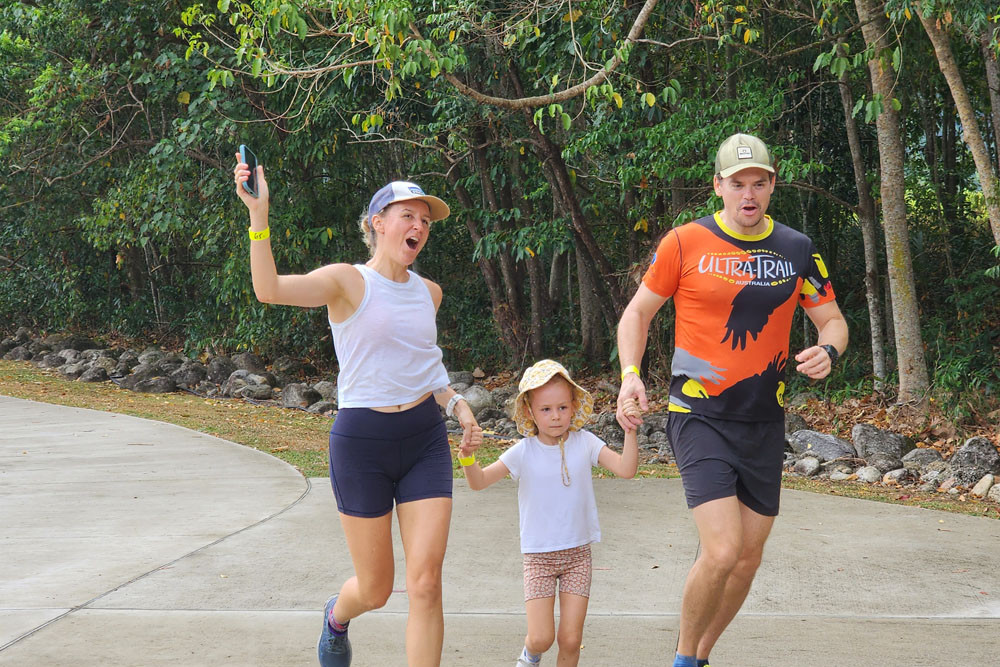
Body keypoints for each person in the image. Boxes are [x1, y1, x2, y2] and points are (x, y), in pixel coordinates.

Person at [234, 157, 484, 667]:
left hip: (424, 441)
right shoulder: (347, 282)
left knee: (426, 583)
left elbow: (426, 370)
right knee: (375, 589)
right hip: (362, 443)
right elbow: (270, 290)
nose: (419, 227)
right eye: (408, 216)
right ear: (378, 223)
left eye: (426, 221)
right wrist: (259, 216)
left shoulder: (429, 293)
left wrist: (458, 406)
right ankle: (336, 616)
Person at [615, 133, 848, 667]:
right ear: (718, 186)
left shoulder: (797, 248)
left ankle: (698, 656)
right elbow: (637, 314)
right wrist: (631, 374)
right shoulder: (684, 242)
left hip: (765, 420)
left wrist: (828, 350)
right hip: (699, 414)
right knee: (721, 550)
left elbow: (831, 319)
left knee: (745, 560)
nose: (748, 194)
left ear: (772, 185)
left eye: (758, 183)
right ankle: (680, 659)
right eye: (737, 183)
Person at [457, 359, 640, 667]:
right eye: (545, 409)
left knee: (570, 639)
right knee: (542, 638)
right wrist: (467, 458)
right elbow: (479, 482)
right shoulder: (523, 451)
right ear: (529, 411)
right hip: (538, 559)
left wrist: (630, 431)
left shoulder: (585, 442)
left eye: (563, 408)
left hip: (577, 556)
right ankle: (530, 654)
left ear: (573, 406)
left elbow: (626, 469)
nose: (556, 416)